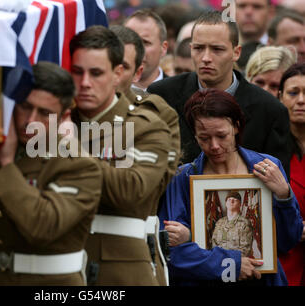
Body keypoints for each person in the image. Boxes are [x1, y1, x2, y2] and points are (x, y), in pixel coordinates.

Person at [0, 61, 103, 286]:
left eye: (44, 112)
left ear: (63, 117)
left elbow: (43, 226)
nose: (30, 120)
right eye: (25, 106)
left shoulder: (80, 165)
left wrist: (5, 164)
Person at [159, 88, 303, 286]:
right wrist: (229, 264)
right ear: (194, 135)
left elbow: (289, 240)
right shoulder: (182, 179)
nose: (214, 146)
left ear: (236, 126)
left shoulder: (268, 168)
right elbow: (171, 252)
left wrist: (283, 195)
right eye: (204, 138)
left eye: (221, 135)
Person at [69, 25, 171, 286]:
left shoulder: (147, 125)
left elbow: (131, 192)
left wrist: (71, 147)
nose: (85, 83)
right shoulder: (53, 122)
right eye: (77, 72)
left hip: (117, 270)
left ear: (117, 74)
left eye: (96, 73)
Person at [147, 10, 291, 178]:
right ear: (191, 48)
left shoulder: (270, 110)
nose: (206, 57)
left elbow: (278, 181)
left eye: (217, 49)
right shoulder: (162, 96)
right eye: (199, 48)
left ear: (236, 52)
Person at [110, 24, 181, 286]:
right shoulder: (70, 115)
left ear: (138, 72)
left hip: (132, 255)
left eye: (122, 67)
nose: (111, 76)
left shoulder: (156, 115)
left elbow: (143, 190)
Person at [278, 63, 305, 286]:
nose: (301, 100)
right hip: (286, 260)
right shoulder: (269, 150)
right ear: (280, 97)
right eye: (293, 93)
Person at [124, 8, 169, 91]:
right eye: (130, 41)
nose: (137, 50)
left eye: (145, 42)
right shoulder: (109, 92)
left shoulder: (178, 93)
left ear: (163, 48)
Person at [212, 191, 254, 257]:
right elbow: (214, 244)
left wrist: (229, 260)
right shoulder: (219, 223)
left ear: (240, 204)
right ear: (226, 203)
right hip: (219, 262)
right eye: (229, 200)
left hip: (237, 263)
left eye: (235, 200)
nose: (231, 202)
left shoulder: (244, 223)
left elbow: (245, 249)